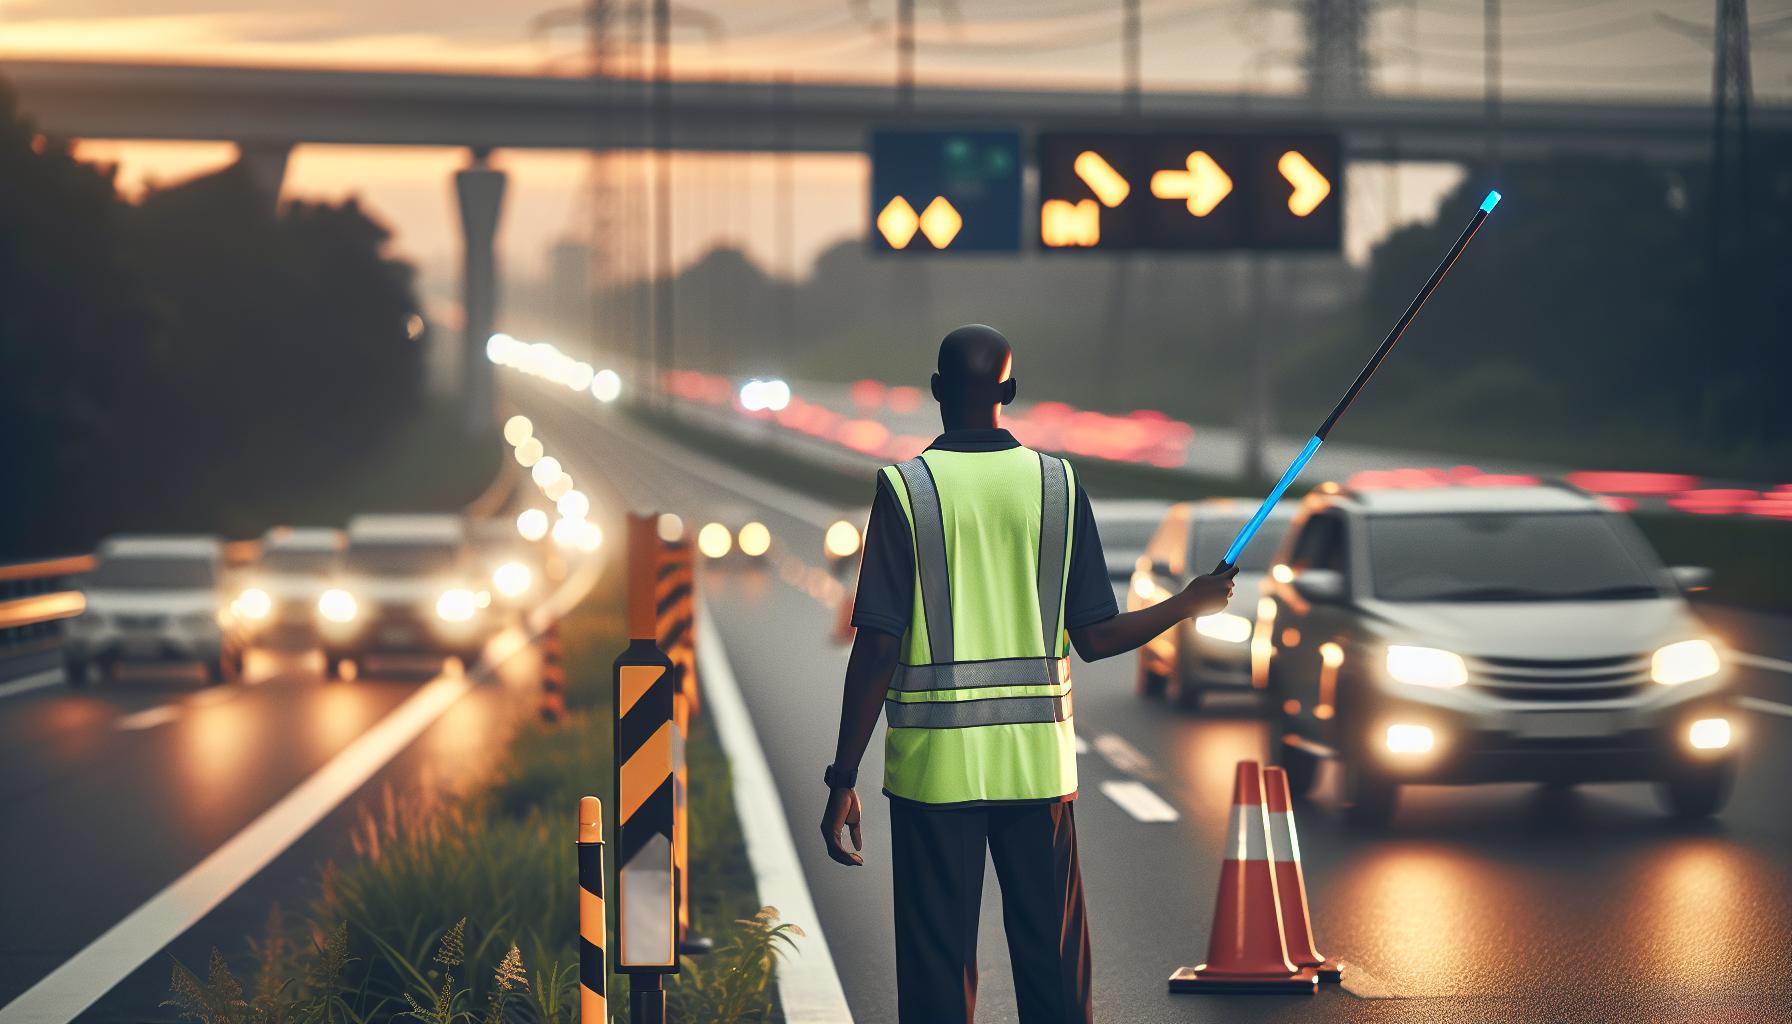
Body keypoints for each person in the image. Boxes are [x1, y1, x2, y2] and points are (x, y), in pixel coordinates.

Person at [819, 324, 1238, 1024]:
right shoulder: (1058, 485)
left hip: (933, 775)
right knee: (1053, 968)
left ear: (935, 391)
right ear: (1008, 393)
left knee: (935, 972)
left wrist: (842, 778)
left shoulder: (905, 489)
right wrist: (1186, 605)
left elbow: (877, 649)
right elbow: (1098, 639)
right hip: (1036, 771)